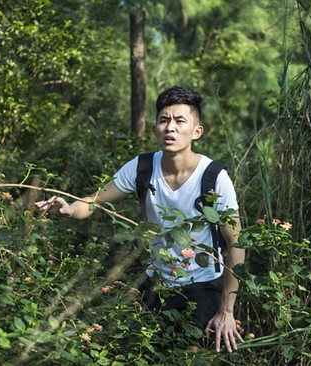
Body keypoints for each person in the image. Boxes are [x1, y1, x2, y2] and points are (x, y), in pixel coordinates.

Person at [36, 86, 245, 353]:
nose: (170, 128)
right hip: (157, 280)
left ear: (196, 132)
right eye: (163, 120)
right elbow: (96, 200)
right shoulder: (142, 167)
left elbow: (236, 243)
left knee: (189, 355)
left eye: (180, 121)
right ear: (155, 129)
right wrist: (69, 209)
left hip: (202, 284)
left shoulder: (214, 177)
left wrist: (226, 310)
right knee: (136, 350)